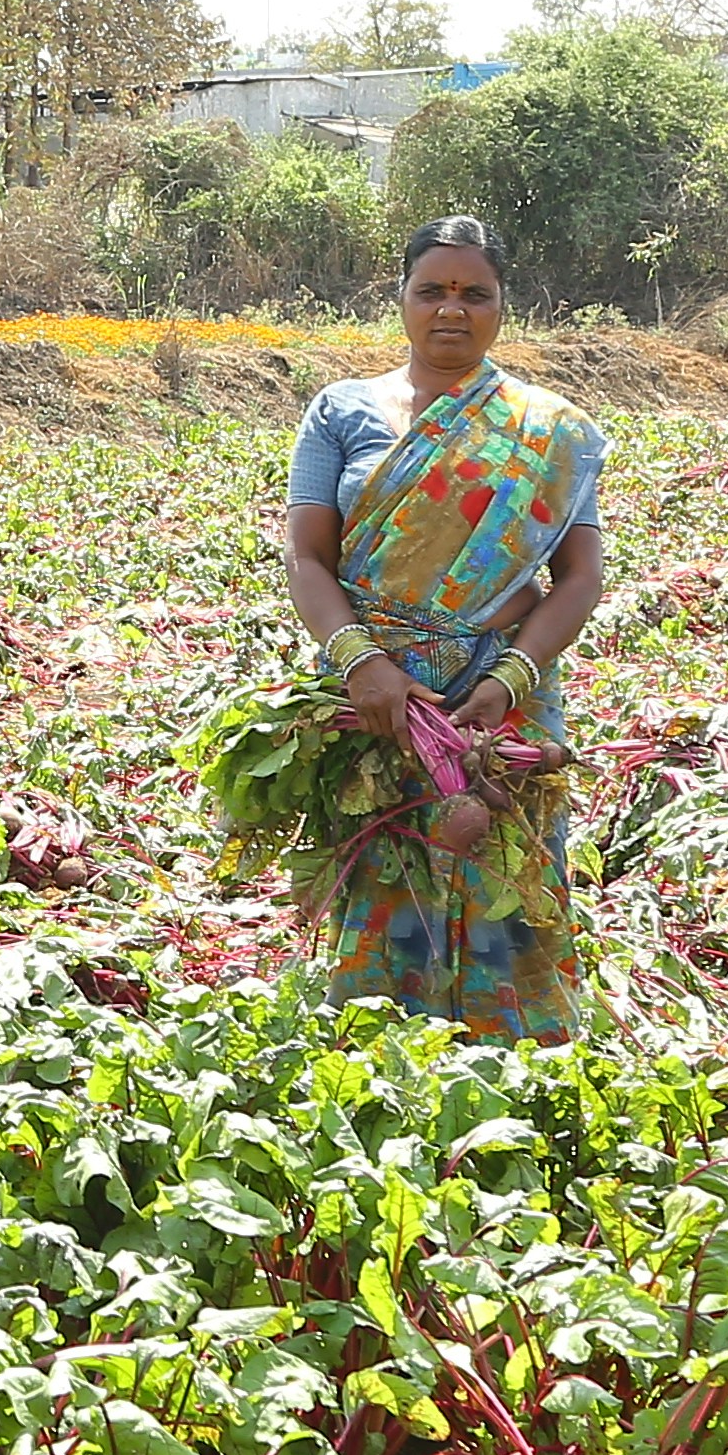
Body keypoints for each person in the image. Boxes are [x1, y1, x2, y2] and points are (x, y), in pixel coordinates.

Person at [275, 215, 612, 1035]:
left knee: (511, 873)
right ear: (400, 299)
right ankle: (378, 1057)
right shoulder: (340, 411)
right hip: (378, 694)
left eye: (474, 294)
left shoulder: (548, 432)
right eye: (432, 290)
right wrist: (360, 661)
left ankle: (523, 1059)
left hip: (503, 693)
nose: (452, 310)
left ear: (502, 308)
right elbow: (305, 557)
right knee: (380, 871)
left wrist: (511, 678)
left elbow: (579, 577)